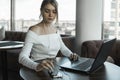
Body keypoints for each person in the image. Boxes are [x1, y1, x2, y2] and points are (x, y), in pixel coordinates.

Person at [18, 0, 78, 77]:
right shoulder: (33, 30)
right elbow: (22, 57)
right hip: (37, 69)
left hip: (53, 68)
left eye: (54, 11)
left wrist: (71, 54)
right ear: (41, 11)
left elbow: (63, 48)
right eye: (47, 11)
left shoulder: (55, 29)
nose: (51, 15)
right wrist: (37, 66)